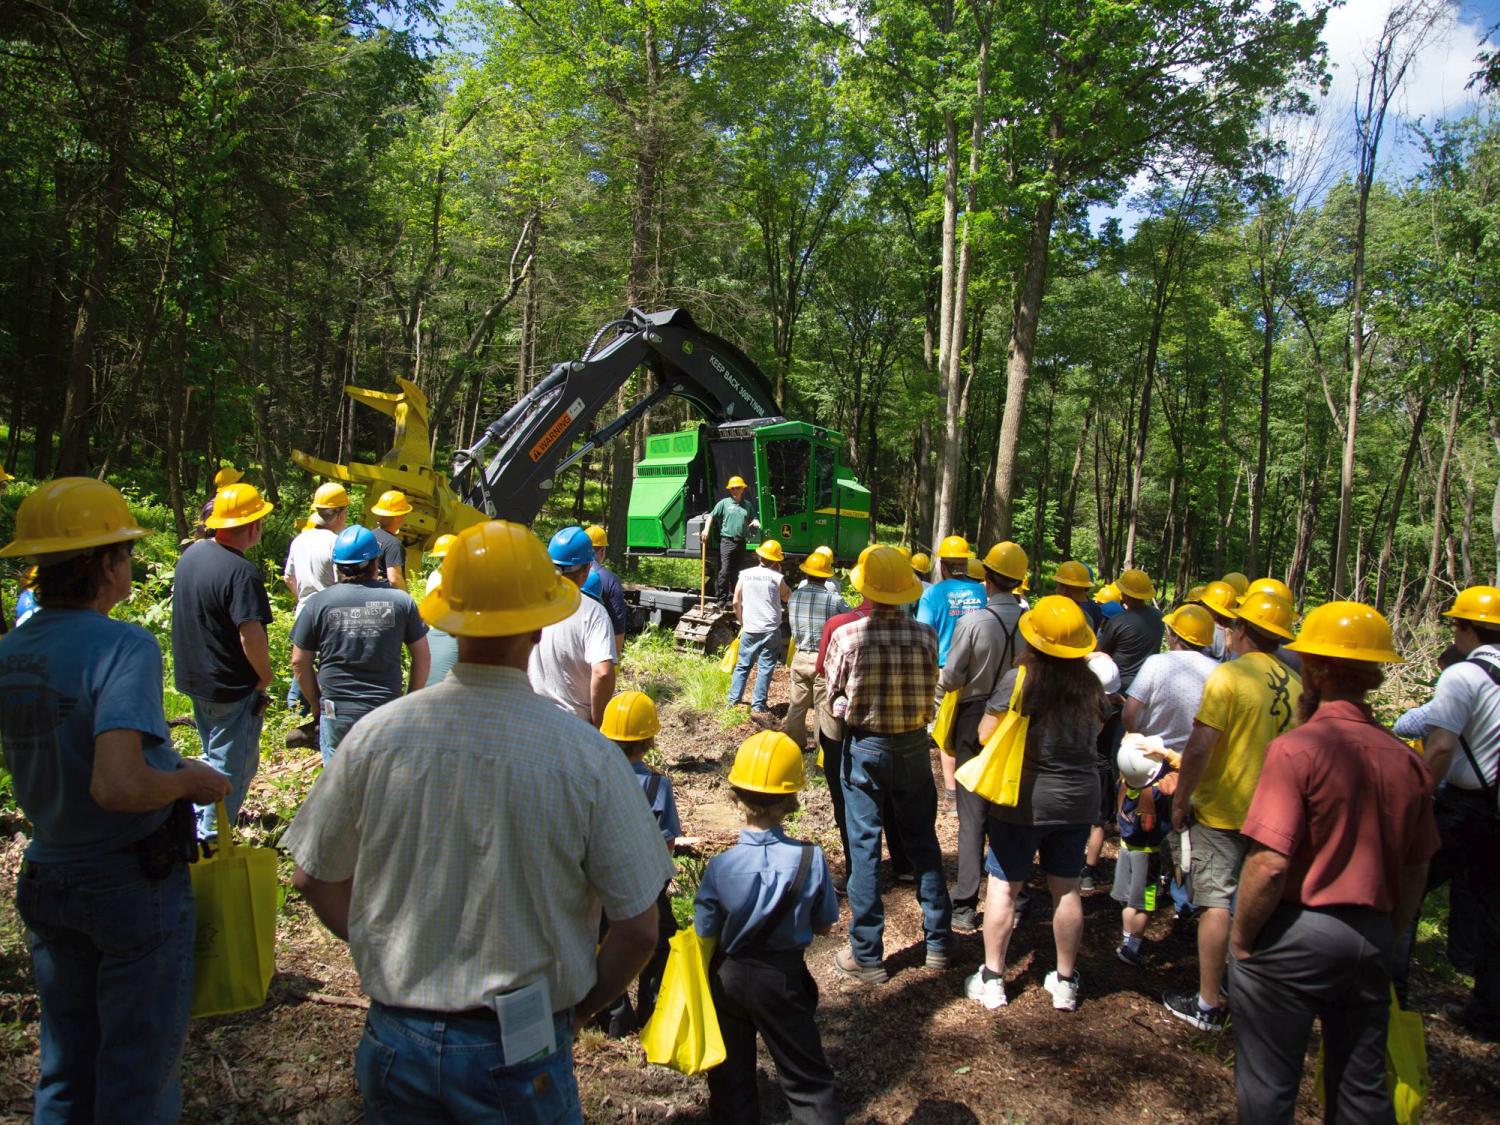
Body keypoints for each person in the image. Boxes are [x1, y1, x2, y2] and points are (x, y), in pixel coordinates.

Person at [284, 520, 674, 1122]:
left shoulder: (375, 738)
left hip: (396, 1035)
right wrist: (579, 1012)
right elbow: (640, 929)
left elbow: (312, 878)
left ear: (444, 618)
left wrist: (382, 950)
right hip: (521, 1040)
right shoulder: (588, 757)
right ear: (541, 625)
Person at [0, 477, 231, 1121]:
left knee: (66, 1069)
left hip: (47, 871)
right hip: (125, 878)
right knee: (137, 1074)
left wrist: (165, 760)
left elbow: (63, 750)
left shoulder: (12, 650)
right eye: (126, 552)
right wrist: (190, 779)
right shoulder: (122, 644)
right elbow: (119, 785)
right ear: (105, 563)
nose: (129, 564)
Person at [1230, 601, 1439, 1121]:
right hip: (1371, 936)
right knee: (1361, 1089)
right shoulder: (1406, 759)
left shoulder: (1297, 750)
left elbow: (1270, 863)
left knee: (1268, 1085)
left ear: (1319, 671)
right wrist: (1388, 934)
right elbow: (1417, 868)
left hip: (1295, 931)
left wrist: (1241, 939)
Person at [1163, 589, 1301, 1032]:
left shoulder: (1229, 677)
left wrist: (1181, 800)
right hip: (1274, 811)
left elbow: (1201, 745)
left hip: (1224, 807)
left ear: (1240, 630)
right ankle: (1253, 996)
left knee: (1215, 904)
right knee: (1256, 905)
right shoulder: (1297, 686)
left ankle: (1207, 1002)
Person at [964, 596, 1106, 1012]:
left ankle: (992, 978)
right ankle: (1064, 982)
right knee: (1066, 887)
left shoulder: (1020, 679)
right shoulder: (1093, 685)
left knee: (1005, 886)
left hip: (1024, 797)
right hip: (1080, 797)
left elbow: (988, 734)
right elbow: (1097, 729)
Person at [696, 731, 842, 1123]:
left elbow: (704, 929)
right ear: (790, 798)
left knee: (730, 1081)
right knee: (806, 1079)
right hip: (782, 978)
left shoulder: (720, 867)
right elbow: (826, 926)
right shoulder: (810, 859)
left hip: (728, 977)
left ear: (736, 797)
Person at [825, 546, 953, 984]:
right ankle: (938, 943)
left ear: (867, 589)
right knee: (924, 844)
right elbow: (934, 689)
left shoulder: (848, 636)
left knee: (864, 849)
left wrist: (847, 705)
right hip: (914, 748)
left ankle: (867, 955)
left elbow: (833, 695)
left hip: (866, 748)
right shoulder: (926, 636)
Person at [1398, 585, 1500, 1039]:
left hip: (1463, 808)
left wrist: (1411, 799)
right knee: (1491, 907)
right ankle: (1486, 1013)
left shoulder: (1463, 676)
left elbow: (1439, 745)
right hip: (1494, 810)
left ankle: (1389, 993)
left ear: (1465, 628)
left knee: (1404, 886)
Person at [173, 481, 275, 838]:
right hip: (230, 685)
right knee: (235, 766)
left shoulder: (192, 554)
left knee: (212, 752)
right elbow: (250, 634)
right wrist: (264, 676)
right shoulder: (242, 572)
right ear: (252, 526)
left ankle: (199, 821)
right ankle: (211, 840)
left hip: (195, 678)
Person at [938, 541, 1029, 933]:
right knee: (1010, 804)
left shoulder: (973, 622)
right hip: (1020, 721)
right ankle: (1015, 893)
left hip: (974, 716)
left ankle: (964, 904)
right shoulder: (1032, 625)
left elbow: (952, 677)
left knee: (972, 813)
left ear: (987, 580)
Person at [291, 525, 430, 763]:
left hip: (336, 710)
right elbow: (423, 656)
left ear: (336, 565)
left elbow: (299, 661)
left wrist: (316, 704)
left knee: (338, 783)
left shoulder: (318, 604)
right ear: (376, 562)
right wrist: (410, 701)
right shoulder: (400, 601)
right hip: (385, 709)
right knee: (381, 781)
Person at [1122, 604, 1218, 920]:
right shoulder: (1219, 672)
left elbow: (1131, 712)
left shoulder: (1157, 664)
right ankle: (1186, 902)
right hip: (1198, 767)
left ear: (1174, 634)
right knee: (1189, 836)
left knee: (1146, 834)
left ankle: (1137, 905)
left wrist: (1136, 742)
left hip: (1151, 763)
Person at [597, 690, 679, 1038]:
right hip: (646, 881)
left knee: (597, 940)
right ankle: (652, 1008)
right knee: (662, 940)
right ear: (648, 742)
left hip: (599, 881)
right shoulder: (658, 785)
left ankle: (614, 1013)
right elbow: (668, 842)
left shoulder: (593, 777)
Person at [1084, 568, 1165, 888]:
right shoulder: (1158, 621)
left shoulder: (1120, 622)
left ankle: (1104, 815)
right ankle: (1122, 815)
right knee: (1130, 761)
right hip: (1143, 694)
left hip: (1115, 693)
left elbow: (1101, 651)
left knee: (1102, 754)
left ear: (1127, 595)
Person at [281, 481, 351, 744]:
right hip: (331, 614)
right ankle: (321, 716)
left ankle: (293, 712)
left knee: (301, 662)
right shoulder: (337, 543)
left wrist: (304, 600)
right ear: (341, 512)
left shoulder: (300, 540)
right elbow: (343, 581)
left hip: (304, 610)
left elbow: (289, 578)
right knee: (328, 666)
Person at [529, 526, 617, 725]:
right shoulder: (593, 612)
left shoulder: (531, 603)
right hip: (572, 723)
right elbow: (602, 672)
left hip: (530, 717)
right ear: (586, 570)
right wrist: (597, 722)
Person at [1111, 739, 1176, 966]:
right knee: (1144, 903)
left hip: (1127, 849)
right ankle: (1133, 947)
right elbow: (1183, 770)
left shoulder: (1123, 784)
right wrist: (1165, 753)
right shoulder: (1158, 791)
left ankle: (1126, 938)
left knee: (1129, 901)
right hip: (1148, 854)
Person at [784, 549, 846, 749]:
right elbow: (851, 619)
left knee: (797, 706)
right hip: (824, 660)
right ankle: (823, 750)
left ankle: (794, 745)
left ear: (806, 573)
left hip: (800, 656)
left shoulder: (794, 597)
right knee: (823, 707)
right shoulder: (834, 600)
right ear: (827, 576)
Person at [727, 539, 791, 718]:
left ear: (760, 556)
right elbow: (787, 597)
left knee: (742, 665)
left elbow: (735, 601)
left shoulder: (745, 574)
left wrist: (742, 621)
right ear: (776, 561)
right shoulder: (777, 578)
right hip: (770, 630)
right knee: (765, 667)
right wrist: (779, 575)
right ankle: (758, 705)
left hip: (750, 628)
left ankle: (733, 701)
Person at [916, 535, 985, 668]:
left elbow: (922, 636)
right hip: (974, 668)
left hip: (943, 669)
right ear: (966, 565)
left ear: (942, 565)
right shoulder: (981, 592)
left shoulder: (931, 594)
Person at [702, 475, 758, 603]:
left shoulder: (747, 505)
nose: (735, 490)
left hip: (741, 542)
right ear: (729, 490)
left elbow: (753, 518)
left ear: (742, 489)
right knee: (724, 571)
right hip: (727, 541)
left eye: (738, 488)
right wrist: (706, 529)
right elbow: (711, 516)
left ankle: (734, 598)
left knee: (737, 572)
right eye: (732, 488)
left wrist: (755, 522)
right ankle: (721, 598)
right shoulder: (724, 503)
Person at [421, 534, 460, 686]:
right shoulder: (440, 577)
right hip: (446, 632)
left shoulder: (435, 576)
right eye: (441, 559)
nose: (444, 562)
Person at [586, 524, 629, 652]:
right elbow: (618, 622)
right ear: (602, 551)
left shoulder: (571, 572)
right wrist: (616, 657)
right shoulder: (610, 579)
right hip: (598, 647)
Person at [368, 488, 411, 590]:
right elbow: (395, 579)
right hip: (385, 597)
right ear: (399, 516)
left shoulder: (369, 536)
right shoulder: (393, 544)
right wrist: (407, 601)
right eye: (405, 513)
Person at [1196, 579, 1241, 663]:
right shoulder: (1237, 631)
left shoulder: (1210, 631)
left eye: (1203, 604)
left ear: (1213, 609)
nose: (1201, 607)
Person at [1053, 559, 1102, 631]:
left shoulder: (1052, 614)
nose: (1056, 589)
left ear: (1064, 589)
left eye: (1057, 585)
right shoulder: (1088, 618)